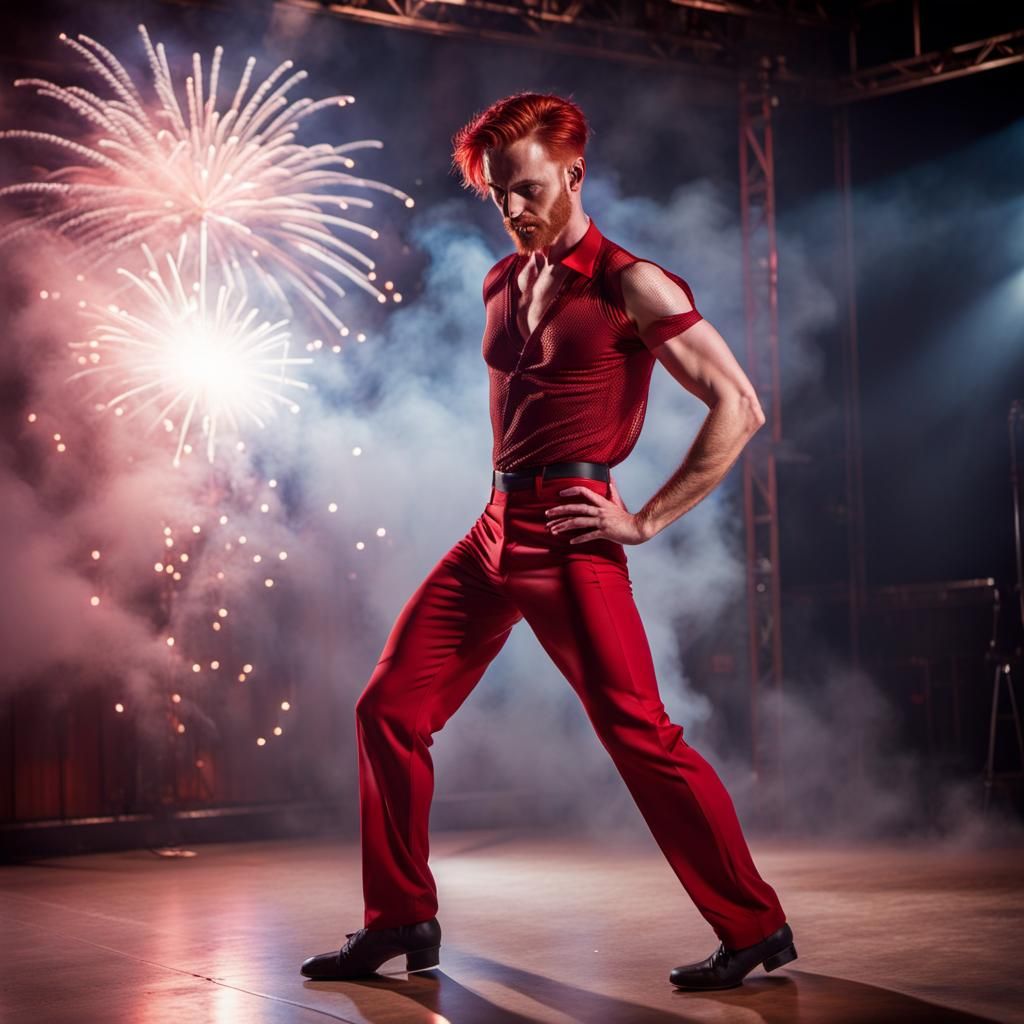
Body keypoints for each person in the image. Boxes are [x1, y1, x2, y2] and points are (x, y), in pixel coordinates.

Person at [301, 92, 797, 991]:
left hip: (573, 534)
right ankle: (400, 916)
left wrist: (643, 519)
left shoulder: (633, 284)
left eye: (527, 188)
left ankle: (755, 925)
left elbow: (741, 405)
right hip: (493, 528)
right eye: (498, 194)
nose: (513, 208)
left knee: (641, 736)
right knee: (388, 709)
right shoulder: (500, 280)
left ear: (574, 173)